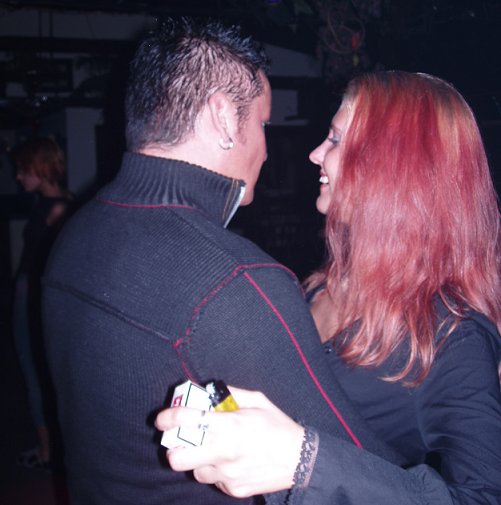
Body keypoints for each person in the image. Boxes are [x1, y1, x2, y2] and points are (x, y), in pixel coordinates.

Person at [42, 19, 401, 505]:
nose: (267, 148)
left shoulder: (77, 231)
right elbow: (364, 474)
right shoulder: (233, 281)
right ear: (224, 118)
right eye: (263, 124)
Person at [156, 71, 501, 504]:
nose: (315, 153)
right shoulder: (318, 286)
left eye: (335, 140)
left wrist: (305, 464)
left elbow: (484, 496)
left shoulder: (451, 337)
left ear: (392, 166)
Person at [12, 136, 73, 469]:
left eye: (24, 170)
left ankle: (48, 450)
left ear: (40, 167)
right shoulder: (56, 203)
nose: (19, 176)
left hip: (34, 293)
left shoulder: (59, 209)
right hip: (32, 291)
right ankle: (49, 447)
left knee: (35, 369)